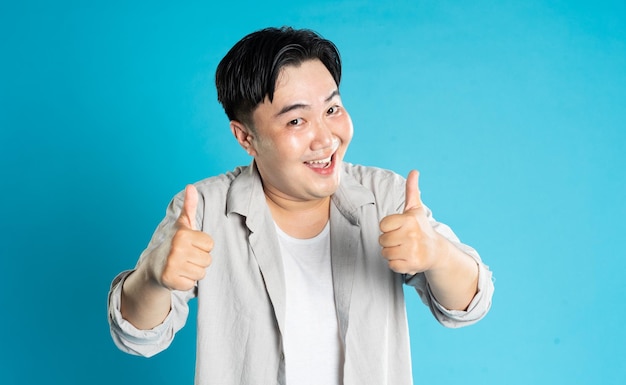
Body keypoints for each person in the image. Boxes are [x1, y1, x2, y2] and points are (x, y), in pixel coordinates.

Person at [108, 26, 494, 385]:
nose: (325, 139)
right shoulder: (204, 210)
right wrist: (152, 278)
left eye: (331, 110)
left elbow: (468, 304)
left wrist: (439, 255)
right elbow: (139, 336)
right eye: (296, 121)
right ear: (246, 137)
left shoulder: (386, 197)